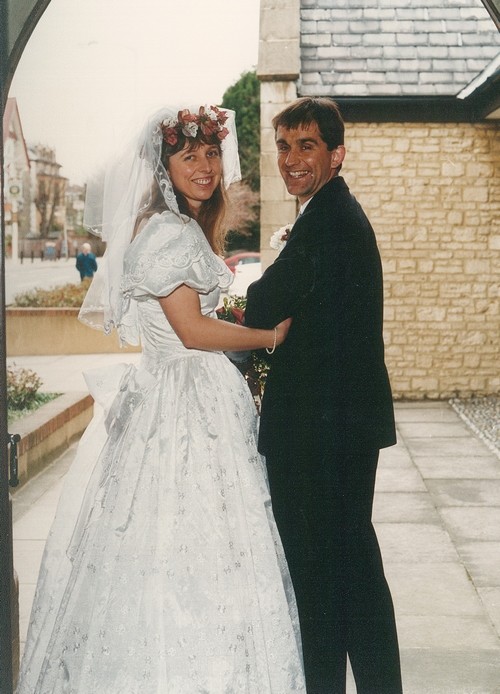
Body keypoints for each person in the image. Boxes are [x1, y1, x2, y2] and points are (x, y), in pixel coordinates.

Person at [15, 105, 306, 693]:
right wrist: (267, 336)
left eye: (209, 155)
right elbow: (192, 332)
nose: (204, 167)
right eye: (188, 156)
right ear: (163, 165)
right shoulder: (167, 231)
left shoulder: (177, 227)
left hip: (189, 394)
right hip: (183, 402)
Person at [245, 97, 403, 694]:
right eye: (283, 146)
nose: (290, 160)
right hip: (339, 428)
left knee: (325, 582)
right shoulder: (331, 214)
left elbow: (262, 305)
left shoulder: (327, 221)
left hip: (318, 437)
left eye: (305, 146)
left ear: (336, 154)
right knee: (352, 576)